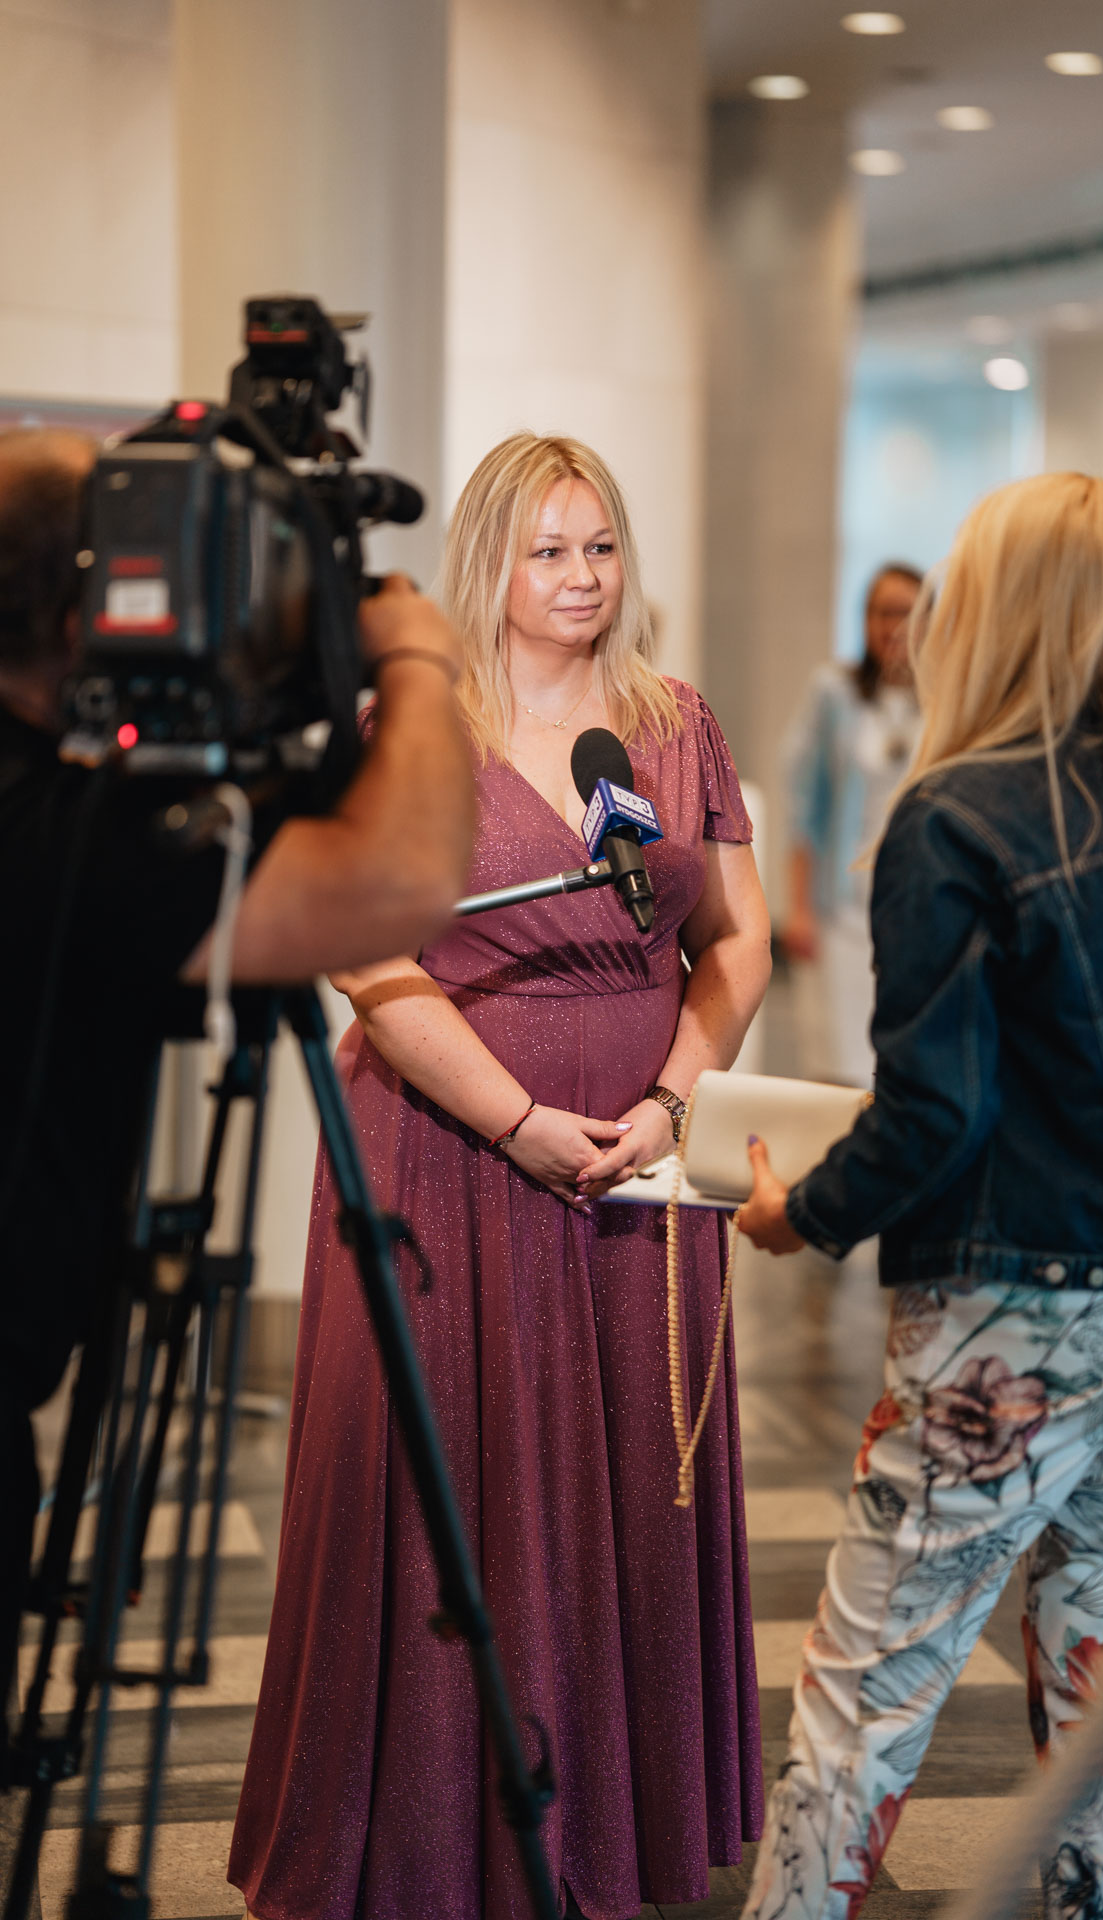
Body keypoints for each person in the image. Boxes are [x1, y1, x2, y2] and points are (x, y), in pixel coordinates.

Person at [229, 433, 772, 1920]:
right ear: (488, 559)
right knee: (447, 1481)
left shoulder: (672, 721)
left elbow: (733, 940)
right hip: (445, 1149)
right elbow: (364, 954)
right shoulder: (407, 732)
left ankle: (610, 1834)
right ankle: (414, 1845)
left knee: (629, 1489)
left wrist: (671, 1097)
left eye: (600, 546)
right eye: (548, 550)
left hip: (640, 1161)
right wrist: (515, 1117)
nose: (581, 578)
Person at [735, 473, 1103, 1920]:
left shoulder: (952, 818)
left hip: (1015, 1322)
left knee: (868, 1690)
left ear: (984, 612)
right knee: (1102, 1686)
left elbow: (934, 1109)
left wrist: (800, 1212)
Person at [0, 427, 473, 1754]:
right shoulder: (65, 834)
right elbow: (400, 882)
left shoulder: (56, 798)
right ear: (87, 609)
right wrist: (414, 659)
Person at [782, 563, 923, 1087]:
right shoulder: (835, 692)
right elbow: (804, 803)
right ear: (866, 620)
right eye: (884, 612)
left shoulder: (944, 699)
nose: (895, 626)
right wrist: (799, 907)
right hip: (841, 910)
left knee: (897, 1061)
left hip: (911, 908)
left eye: (908, 613)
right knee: (839, 1063)